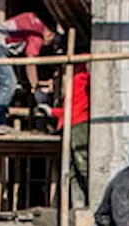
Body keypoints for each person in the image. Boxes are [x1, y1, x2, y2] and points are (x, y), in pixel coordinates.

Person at [0, 12, 56, 130]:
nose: (47, 44)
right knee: (9, 83)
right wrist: (36, 88)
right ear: (50, 33)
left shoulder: (31, 20)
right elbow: (30, 63)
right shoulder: (37, 34)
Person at [49, 63, 90, 205]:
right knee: (72, 169)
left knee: (82, 165)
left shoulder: (81, 77)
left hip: (79, 124)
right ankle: (78, 205)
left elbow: (75, 108)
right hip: (71, 123)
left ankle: (90, 202)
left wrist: (52, 112)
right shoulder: (76, 78)